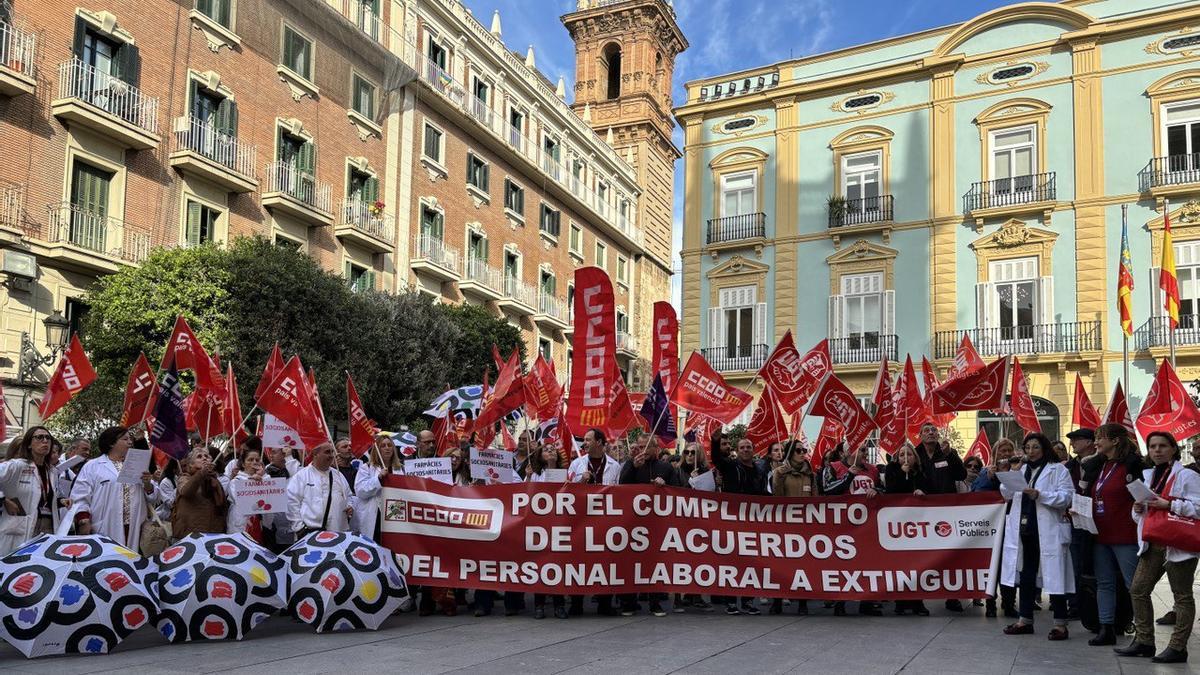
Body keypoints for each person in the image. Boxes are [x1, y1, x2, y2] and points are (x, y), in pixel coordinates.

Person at [1116, 431, 1199, 664]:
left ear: (1174, 449)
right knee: (1138, 589)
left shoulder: (1187, 476)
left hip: (1179, 543)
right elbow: (1141, 517)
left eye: (1163, 446)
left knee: (1182, 596)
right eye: (1153, 446)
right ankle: (1144, 641)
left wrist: (1170, 504)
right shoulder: (1149, 475)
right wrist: (1138, 510)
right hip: (1153, 540)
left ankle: (1178, 647)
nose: (1157, 450)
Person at [1001, 432, 1074, 640]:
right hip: (1025, 532)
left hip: (1048, 531)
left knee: (1055, 575)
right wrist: (1011, 475)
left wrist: (1041, 495)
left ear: (1044, 449)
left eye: (1035, 447)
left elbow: (1067, 497)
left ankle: (1060, 624)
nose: (1031, 452)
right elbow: (1005, 494)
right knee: (1026, 575)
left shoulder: (1057, 469)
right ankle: (1025, 620)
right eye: (1027, 447)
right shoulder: (1021, 469)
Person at [1082, 424, 1144, 646]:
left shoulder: (1133, 465)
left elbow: (1143, 495)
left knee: (1134, 585)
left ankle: (1143, 632)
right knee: (1104, 582)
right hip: (1100, 534)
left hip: (1125, 534)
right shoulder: (1100, 465)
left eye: (1100, 438)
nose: (1096, 442)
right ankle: (1105, 627)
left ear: (1116, 441)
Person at [71, 426, 160, 550]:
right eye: (125, 439)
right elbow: (80, 496)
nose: (130, 442)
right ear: (111, 443)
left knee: (131, 564)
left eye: (130, 439)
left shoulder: (138, 465)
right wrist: (83, 518)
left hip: (135, 528)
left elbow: (154, 497)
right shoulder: (93, 466)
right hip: (105, 526)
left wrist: (147, 484)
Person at [913, 423, 968, 613]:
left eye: (934, 430)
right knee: (919, 556)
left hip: (946, 512)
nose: (931, 433)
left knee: (949, 554)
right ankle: (917, 599)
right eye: (926, 430)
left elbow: (961, 474)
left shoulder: (946, 453)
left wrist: (951, 454)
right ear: (919, 435)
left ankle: (952, 597)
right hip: (921, 513)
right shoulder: (914, 453)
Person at [711, 435, 767, 615]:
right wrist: (714, 441)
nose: (745, 450)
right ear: (738, 450)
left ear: (753, 450)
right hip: (732, 520)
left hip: (752, 522)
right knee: (732, 561)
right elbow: (716, 459)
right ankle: (731, 601)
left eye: (748, 447)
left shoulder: (760, 470)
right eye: (742, 447)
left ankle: (748, 600)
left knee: (751, 562)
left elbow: (764, 493)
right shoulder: (730, 465)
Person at [618, 435, 672, 617]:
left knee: (655, 564)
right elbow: (622, 485)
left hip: (656, 524)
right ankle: (629, 603)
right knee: (630, 564)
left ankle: (655, 603)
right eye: (640, 446)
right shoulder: (630, 463)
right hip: (633, 523)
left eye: (646, 446)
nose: (642, 449)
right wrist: (633, 467)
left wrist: (665, 485)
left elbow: (679, 490)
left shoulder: (665, 467)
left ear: (655, 448)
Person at [566, 429, 620, 617]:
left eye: (588, 440)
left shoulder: (614, 466)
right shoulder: (576, 464)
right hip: (581, 519)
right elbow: (565, 492)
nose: (585, 443)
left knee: (606, 561)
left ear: (599, 442)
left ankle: (605, 603)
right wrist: (581, 480)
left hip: (605, 520)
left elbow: (621, 494)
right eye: (584, 440)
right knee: (578, 561)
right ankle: (576, 603)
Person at [972, 436, 1018, 618]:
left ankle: (1009, 603)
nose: (1006, 454)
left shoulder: (1018, 470)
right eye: (1002, 451)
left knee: (1010, 564)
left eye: (1009, 450)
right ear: (995, 454)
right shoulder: (986, 472)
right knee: (992, 566)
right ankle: (990, 603)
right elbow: (976, 494)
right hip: (991, 527)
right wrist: (989, 478)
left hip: (1012, 524)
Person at [769, 439, 815, 616]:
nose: (803, 453)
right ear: (790, 453)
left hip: (805, 526)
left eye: (804, 450)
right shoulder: (781, 473)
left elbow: (816, 500)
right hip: (785, 525)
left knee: (803, 564)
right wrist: (778, 476)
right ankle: (777, 600)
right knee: (781, 564)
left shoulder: (810, 474)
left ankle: (802, 601)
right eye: (798, 450)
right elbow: (777, 497)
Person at [886, 444, 931, 616]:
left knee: (917, 562)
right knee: (900, 562)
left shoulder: (920, 471)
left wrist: (922, 491)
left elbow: (930, 488)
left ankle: (917, 601)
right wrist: (901, 473)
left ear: (915, 457)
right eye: (902, 454)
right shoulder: (892, 470)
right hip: (898, 522)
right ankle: (901, 601)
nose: (905, 457)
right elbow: (891, 491)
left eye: (909, 454)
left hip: (917, 523)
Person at [0, 427, 60, 555]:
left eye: (48, 438)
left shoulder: (52, 472)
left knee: (39, 569)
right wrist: (3, 499)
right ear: (28, 444)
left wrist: (60, 501)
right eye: (39, 437)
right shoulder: (17, 466)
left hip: (47, 528)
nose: (45, 441)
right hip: (19, 529)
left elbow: (42, 499)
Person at [527, 442, 568, 619]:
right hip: (539, 526)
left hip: (559, 525)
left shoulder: (566, 474)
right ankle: (539, 605)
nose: (550, 450)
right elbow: (523, 496)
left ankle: (559, 605)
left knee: (558, 565)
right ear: (539, 455)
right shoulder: (535, 475)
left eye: (553, 449)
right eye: (546, 449)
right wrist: (528, 478)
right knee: (539, 564)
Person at [285, 442, 354, 538]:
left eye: (332, 452)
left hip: (337, 533)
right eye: (327, 452)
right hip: (309, 534)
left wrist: (350, 506)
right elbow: (291, 503)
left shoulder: (338, 475)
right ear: (315, 454)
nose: (331, 455)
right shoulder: (301, 476)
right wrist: (299, 528)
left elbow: (349, 496)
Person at [354, 434, 403, 541]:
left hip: (394, 514)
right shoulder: (366, 468)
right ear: (377, 449)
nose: (387, 448)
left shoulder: (401, 469)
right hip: (374, 516)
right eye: (383, 445)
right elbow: (360, 491)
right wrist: (379, 479)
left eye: (390, 445)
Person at [172, 447, 228, 539]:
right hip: (189, 535)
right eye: (199, 456)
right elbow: (186, 492)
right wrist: (202, 473)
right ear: (190, 464)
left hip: (212, 533)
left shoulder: (214, 480)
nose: (204, 458)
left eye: (206, 456)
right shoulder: (184, 478)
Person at [262, 446, 300, 553]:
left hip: (293, 528)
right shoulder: (265, 472)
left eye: (274, 452)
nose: (270, 455)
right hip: (271, 528)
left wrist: (289, 457)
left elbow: (296, 475)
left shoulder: (297, 472)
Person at [226, 448, 267, 543]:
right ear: (243, 464)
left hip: (256, 525)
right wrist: (252, 481)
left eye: (257, 460)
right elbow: (242, 501)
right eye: (250, 460)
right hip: (239, 526)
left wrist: (263, 478)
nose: (254, 462)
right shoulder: (235, 481)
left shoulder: (264, 480)